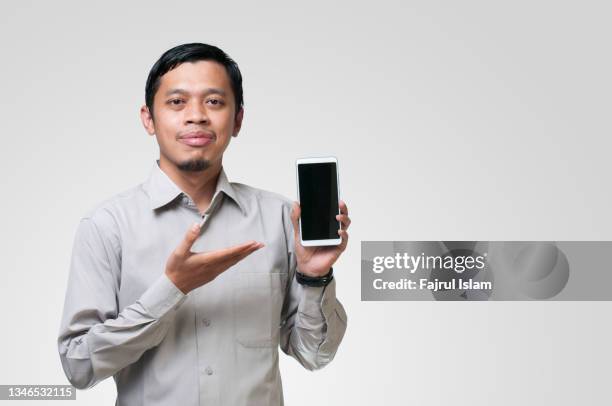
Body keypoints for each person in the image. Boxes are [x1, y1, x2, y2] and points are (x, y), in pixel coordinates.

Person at [57, 43, 350, 405]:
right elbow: (78, 365)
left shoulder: (280, 219)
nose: (196, 116)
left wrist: (314, 277)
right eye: (177, 102)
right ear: (148, 118)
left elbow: (314, 355)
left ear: (238, 119)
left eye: (214, 101)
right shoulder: (106, 226)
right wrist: (172, 288)